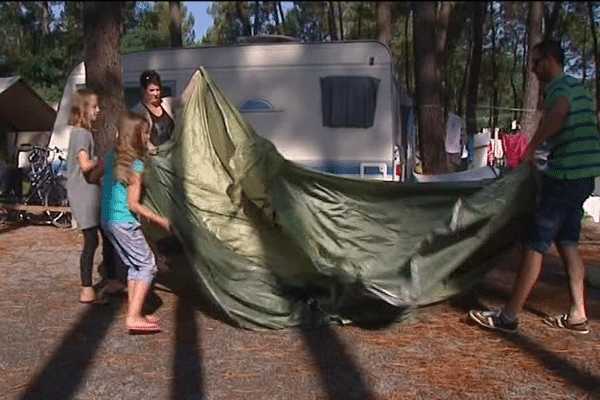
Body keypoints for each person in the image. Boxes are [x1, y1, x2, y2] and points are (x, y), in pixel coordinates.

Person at [469, 39, 600, 334]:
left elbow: (558, 114)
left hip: (565, 178)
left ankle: (509, 317)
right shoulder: (579, 88)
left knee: (534, 244)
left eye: (537, 62)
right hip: (582, 179)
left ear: (551, 61)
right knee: (567, 245)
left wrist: (532, 148)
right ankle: (578, 315)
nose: (533, 69)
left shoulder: (560, 90)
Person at [100, 111, 172, 334]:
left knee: (135, 265)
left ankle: (136, 311)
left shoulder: (114, 156)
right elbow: (133, 204)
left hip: (108, 220)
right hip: (124, 221)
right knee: (148, 265)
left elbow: (96, 176)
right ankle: (133, 317)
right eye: (145, 133)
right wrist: (159, 219)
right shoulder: (136, 164)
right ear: (137, 136)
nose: (147, 137)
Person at [65, 88, 119, 304]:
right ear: (84, 109)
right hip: (84, 193)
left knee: (106, 235)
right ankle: (87, 289)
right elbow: (85, 165)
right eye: (94, 106)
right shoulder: (81, 134)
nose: (98, 110)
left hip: (90, 191)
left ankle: (113, 279)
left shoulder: (82, 133)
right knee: (91, 240)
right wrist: (104, 159)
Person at [131, 69, 199, 152]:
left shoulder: (166, 103)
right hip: (150, 159)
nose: (156, 94)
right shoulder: (138, 111)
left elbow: (183, 99)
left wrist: (195, 78)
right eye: (151, 90)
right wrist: (148, 145)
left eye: (158, 90)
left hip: (170, 155)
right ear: (143, 91)